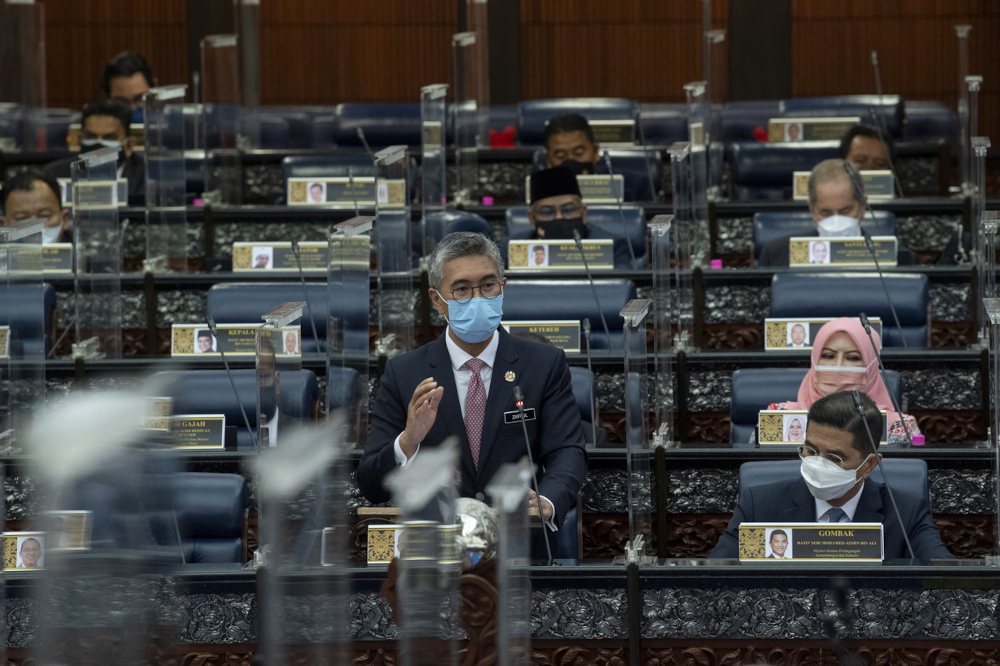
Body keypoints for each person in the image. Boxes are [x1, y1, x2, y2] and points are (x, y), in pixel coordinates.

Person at [359, 232, 587, 532]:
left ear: (502, 287)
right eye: (462, 289)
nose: (478, 298)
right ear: (437, 301)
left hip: (519, 536)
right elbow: (371, 486)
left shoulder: (544, 364)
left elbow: (567, 450)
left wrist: (548, 500)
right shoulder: (405, 373)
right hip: (435, 542)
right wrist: (407, 441)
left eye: (488, 285)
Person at [711, 391, 952, 560]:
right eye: (811, 451)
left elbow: (946, 577)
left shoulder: (906, 514)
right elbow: (717, 575)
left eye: (835, 458)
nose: (817, 464)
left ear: (869, 465)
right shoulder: (759, 507)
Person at [768, 317, 920, 442]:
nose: (838, 366)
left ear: (872, 366)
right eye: (828, 356)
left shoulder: (899, 426)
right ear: (814, 360)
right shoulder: (779, 415)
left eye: (852, 358)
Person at [757, 159, 914, 267]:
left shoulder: (897, 257)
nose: (836, 221)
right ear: (811, 209)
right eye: (825, 212)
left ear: (862, 207)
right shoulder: (777, 254)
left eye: (846, 210)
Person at [506, 166, 634, 269]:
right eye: (546, 212)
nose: (559, 217)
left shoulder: (612, 246)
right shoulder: (509, 249)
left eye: (568, 210)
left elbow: (619, 292)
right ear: (532, 219)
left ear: (583, 213)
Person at [44, 98, 145, 204]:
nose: (99, 144)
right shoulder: (54, 175)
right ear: (80, 140)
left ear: (129, 145)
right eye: (91, 136)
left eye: (109, 138)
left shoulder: (148, 178)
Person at [541, 113, 654, 202]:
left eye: (579, 153)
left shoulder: (635, 186)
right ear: (548, 159)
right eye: (560, 155)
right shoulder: (530, 192)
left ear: (595, 151)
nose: (571, 160)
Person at [0, 169, 70, 244]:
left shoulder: (81, 250)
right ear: (3, 225)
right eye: (22, 218)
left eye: (44, 216)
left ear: (64, 219)